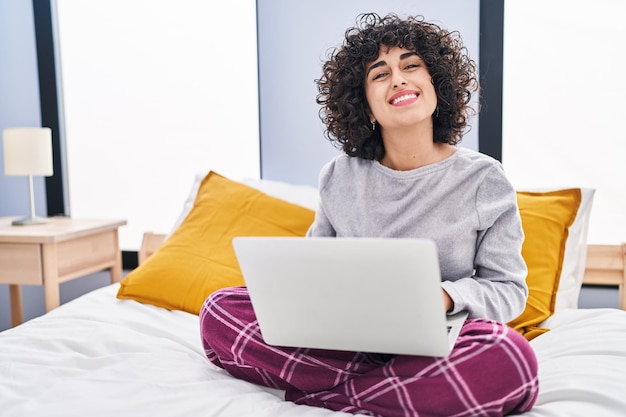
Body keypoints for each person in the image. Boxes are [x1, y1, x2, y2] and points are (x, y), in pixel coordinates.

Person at [200, 13, 539, 417]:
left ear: (437, 88)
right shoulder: (339, 176)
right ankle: (394, 389)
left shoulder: (485, 178)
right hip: (346, 339)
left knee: (510, 358)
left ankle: (334, 395)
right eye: (380, 74)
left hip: (439, 339)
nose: (398, 79)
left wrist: (443, 297)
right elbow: (313, 270)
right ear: (368, 109)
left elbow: (507, 288)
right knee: (218, 311)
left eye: (411, 66)